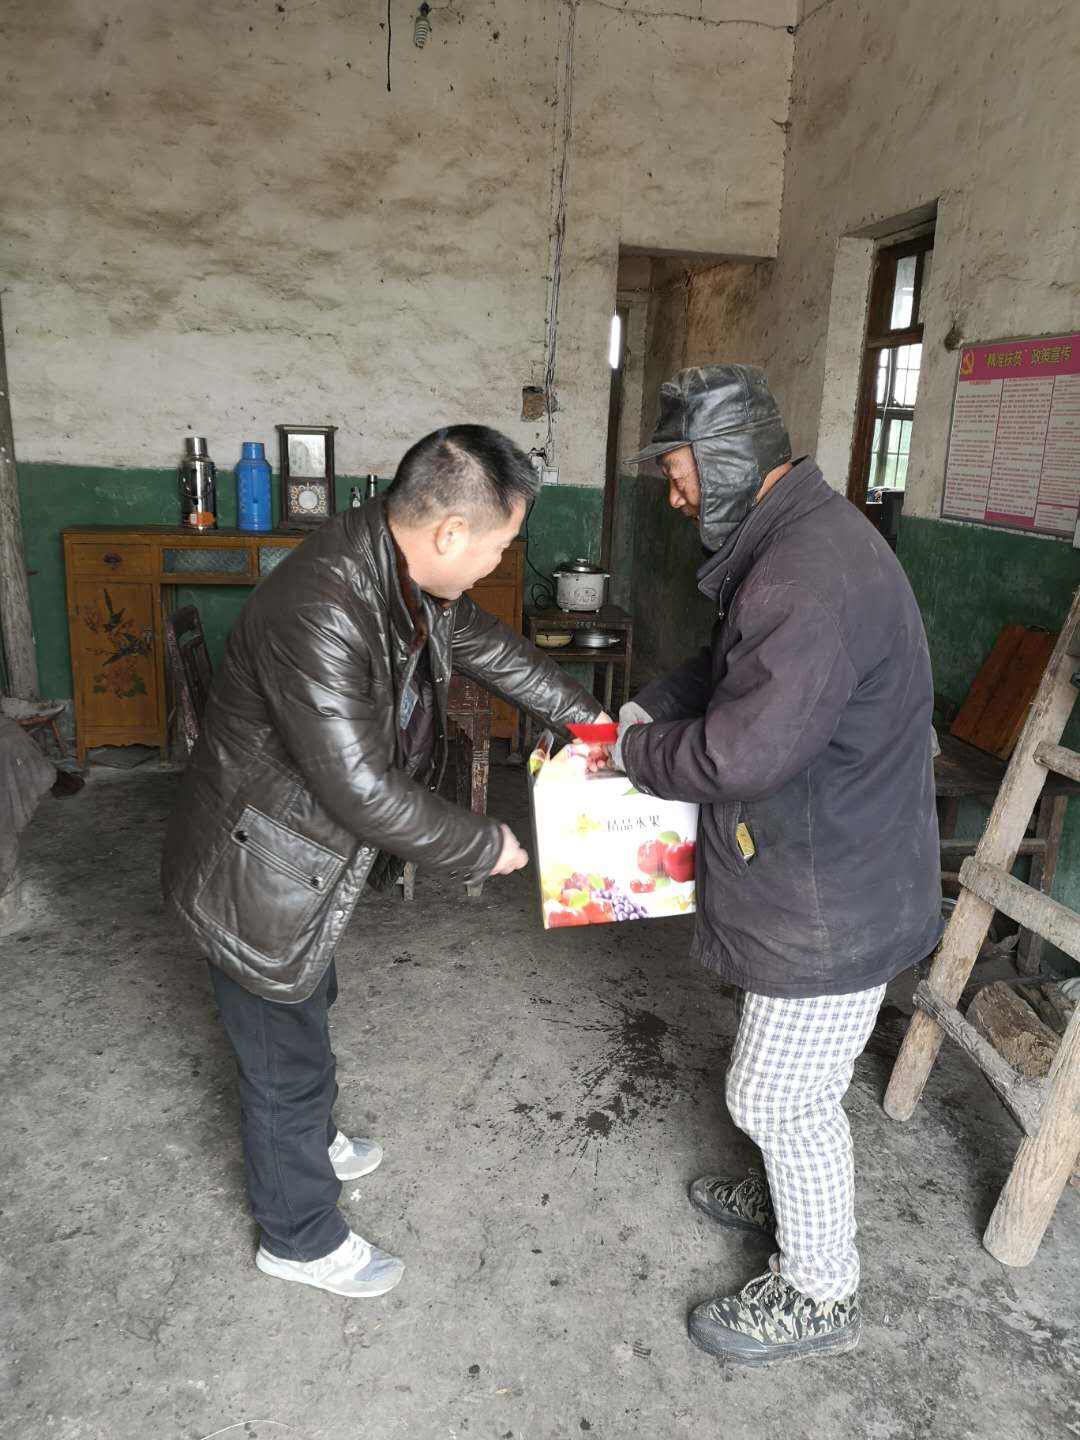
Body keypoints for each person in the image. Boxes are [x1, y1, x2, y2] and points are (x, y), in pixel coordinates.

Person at [162, 425, 606, 1299]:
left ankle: (310, 1136)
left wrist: (589, 724)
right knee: (280, 1060)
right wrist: (484, 843)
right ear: (451, 532)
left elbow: (487, 645)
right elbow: (361, 790)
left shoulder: (395, 569)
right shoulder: (323, 608)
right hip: (256, 874)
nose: (498, 562)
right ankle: (298, 1237)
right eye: (501, 545)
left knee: (308, 1000)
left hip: (299, 865)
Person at [613, 365, 941, 1366]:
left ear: (725, 464)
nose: (676, 500)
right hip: (828, 863)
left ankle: (820, 1292)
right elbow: (731, 672)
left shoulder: (804, 573)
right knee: (789, 1081)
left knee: (779, 1097)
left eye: (679, 478)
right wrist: (651, 706)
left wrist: (633, 752)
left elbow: (740, 754)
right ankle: (786, 1194)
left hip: (835, 890)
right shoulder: (794, 542)